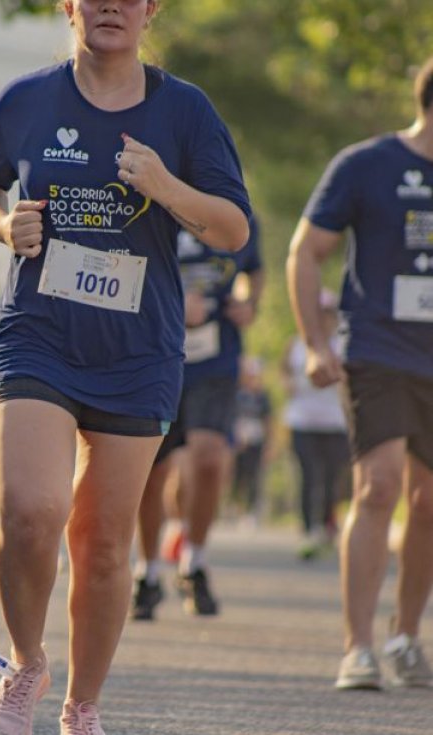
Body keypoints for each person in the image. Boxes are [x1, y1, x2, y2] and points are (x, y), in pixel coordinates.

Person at [0, 0, 251, 731]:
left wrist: (166, 186)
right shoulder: (25, 99)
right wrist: (2, 222)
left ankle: (81, 706)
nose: (111, 6)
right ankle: (26, 664)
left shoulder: (185, 111)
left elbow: (232, 228)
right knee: (30, 512)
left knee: (101, 544)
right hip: (37, 334)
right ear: (70, 6)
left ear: (150, 10)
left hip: (137, 349)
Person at [286, 58, 433, 690]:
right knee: (378, 485)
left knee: (428, 504)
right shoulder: (366, 164)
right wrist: (316, 344)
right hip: (379, 350)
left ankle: (405, 637)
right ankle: (359, 648)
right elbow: (305, 252)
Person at [133, 217, 264, 620]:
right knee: (150, 472)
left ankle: (194, 561)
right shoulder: (148, 206)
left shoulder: (232, 211)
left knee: (209, 458)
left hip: (214, 363)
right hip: (153, 357)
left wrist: (250, 304)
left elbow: (255, 268)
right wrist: (173, 302)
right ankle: (148, 570)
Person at [281, 288, 350, 560]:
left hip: (335, 422)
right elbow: (284, 371)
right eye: (319, 313)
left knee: (332, 477)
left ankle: (326, 525)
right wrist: (288, 384)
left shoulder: (344, 344)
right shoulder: (296, 343)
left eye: (328, 314)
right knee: (308, 474)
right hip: (302, 420)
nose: (323, 319)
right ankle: (309, 530)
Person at [230, 355, 272, 525]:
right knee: (237, 477)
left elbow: (268, 420)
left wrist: (269, 445)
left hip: (256, 440)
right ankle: (235, 508)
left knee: (254, 476)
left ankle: (251, 511)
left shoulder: (262, 397)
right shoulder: (236, 393)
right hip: (237, 441)